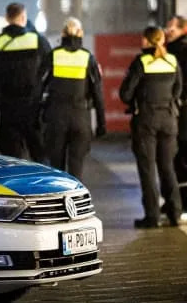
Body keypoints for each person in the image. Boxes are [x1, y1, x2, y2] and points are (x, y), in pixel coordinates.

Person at [120, 26, 183, 228]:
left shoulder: (141, 62)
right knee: (168, 167)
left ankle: (152, 216)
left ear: (147, 41)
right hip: (169, 119)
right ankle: (175, 212)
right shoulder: (172, 61)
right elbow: (178, 89)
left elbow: (125, 94)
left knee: (147, 169)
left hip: (146, 120)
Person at [39, 17, 106, 180]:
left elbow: (38, 87)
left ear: (63, 34)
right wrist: (101, 124)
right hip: (80, 118)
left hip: (56, 118)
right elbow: (97, 93)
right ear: (81, 33)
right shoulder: (88, 57)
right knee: (76, 169)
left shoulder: (53, 56)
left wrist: (35, 117)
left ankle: (57, 204)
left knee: (56, 171)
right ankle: (76, 204)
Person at [0, 2, 51, 161]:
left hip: (8, 108)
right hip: (33, 107)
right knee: (39, 156)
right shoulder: (37, 40)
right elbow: (50, 67)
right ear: (23, 17)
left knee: (12, 158)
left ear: (7, 18)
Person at [165, 15, 187, 207]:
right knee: (175, 158)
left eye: (171, 29)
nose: (167, 32)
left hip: (182, 113)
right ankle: (175, 201)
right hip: (177, 113)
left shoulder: (179, 52)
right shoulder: (171, 51)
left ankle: (182, 201)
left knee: (181, 159)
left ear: (183, 30)